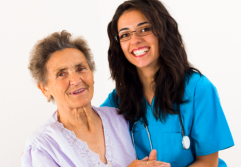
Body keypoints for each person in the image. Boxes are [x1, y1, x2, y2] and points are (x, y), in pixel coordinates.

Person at [101, 0, 234, 167]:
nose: (134, 40)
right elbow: (87, 130)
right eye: (125, 35)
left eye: (145, 29)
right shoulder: (117, 100)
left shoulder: (198, 89)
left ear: (163, 32)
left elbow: (208, 162)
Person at [21, 30, 170, 167]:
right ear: (44, 89)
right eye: (61, 74)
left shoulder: (120, 119)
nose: (76, 80)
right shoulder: (41, 147)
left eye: (81, 68)